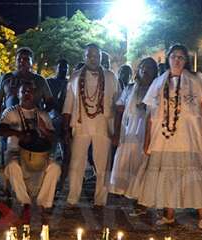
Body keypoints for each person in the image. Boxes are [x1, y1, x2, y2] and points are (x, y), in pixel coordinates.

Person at [127, 44, 202, 229]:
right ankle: (169, 214)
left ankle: (201, 214)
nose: (177, 60)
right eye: (174, 57)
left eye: (181, 57)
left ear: (186, 60)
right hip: (165, 138)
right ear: (168, 59)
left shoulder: (196, 79)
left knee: (195, 171)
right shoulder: (158, 82)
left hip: (191, 135)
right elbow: (150, 114)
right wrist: (147, 141)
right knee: (168, 174)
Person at [63, 43, 120, 208]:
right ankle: (73, 198)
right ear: (84, 57)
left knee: (103, 164)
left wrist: (117, 130)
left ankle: (100, 200)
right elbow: (68, 104)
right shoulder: (74, 77)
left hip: (103, 126)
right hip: (81, 125)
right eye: (89, 55)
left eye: (96, 56)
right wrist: (66, 129)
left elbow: (118, 105)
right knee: (76, 163)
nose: (93, 59)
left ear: (101, 57)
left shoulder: (111, 77)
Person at [0, 81, 60, 223]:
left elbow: (52, 138)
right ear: (18, 95)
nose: (27, 94)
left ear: (35, 95)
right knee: (13, 167)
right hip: (16, 153)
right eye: (23, 91)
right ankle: (24, 204)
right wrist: (18, 134)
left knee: (55, 168)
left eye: (30, 91)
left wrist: (43, 129)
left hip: (40, 156)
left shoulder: (42, 114)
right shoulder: (10, 112)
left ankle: (43, 205)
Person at [110, 57, 158, 213]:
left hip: (149, 130)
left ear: (154, 71)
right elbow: (119, 109)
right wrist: (117, 133)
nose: (146, 70)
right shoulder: (130, 88)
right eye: (143, 67)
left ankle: (141, 197)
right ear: (139, 69)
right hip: (130, 130)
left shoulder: (158, 89)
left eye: (150, 68)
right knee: (126, 160)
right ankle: (126, 193)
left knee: (143, 163)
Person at [0, 47, 54, 168]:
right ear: (15, 61)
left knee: (31, 157)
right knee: (10, 157)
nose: (22, 61)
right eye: (19, 59)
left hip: (33, 125)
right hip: (10, 123)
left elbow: (50, 101)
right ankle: (10, 183)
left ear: (32, 62)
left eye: (26, 59)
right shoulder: (6, 78)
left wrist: (42, 115)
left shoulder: (40, 80)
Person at [46, 59, 69, 165]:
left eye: (66, 68)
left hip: (67, 118)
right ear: (56, 68)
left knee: (67, 149)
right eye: (61, 67)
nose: (63, 70)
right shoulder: (49, 82)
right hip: (53, 117)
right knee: (51, 149)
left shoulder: (70, 83)